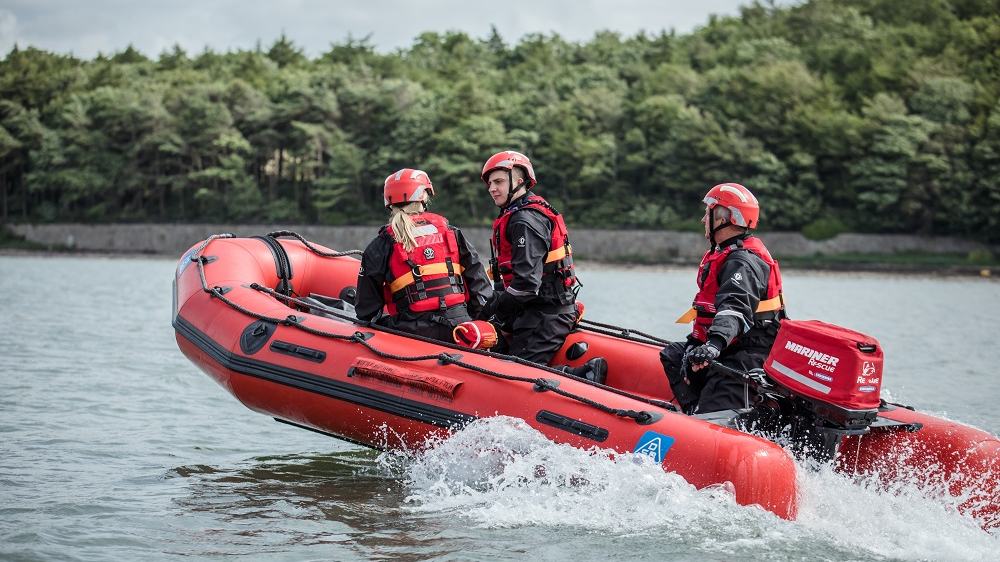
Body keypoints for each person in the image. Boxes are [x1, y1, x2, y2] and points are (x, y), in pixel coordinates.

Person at [478, 150, 607, 384]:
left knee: (514, 378)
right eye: (489, 184)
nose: (492, 189)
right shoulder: (520, 214)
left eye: (498, 182)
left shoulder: (524, 221)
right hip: (532, 309)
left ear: (519, 182)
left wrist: (495, 312)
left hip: (546, 314)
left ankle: (579, 375)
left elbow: (527, 285)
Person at [661, 182, 786, 414]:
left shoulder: (742, 262)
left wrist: (713, 345)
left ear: (721, 218)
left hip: (746, 356)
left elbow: (735, 309)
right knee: (674, 355)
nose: (702, 220)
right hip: (730, 347)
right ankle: (693, 414)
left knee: (712, 416)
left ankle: (706, 425)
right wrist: (699, 344)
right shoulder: (727, 254)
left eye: (706, 213)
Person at [355, 168, 493, 343]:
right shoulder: (451, 233)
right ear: (424, 197)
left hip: (411, 332)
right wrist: (469, 319)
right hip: (459, 328)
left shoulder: (381, 244)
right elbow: (479, 285)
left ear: (389, 202)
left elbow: (366, 309)